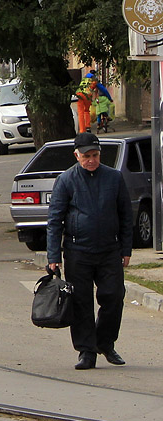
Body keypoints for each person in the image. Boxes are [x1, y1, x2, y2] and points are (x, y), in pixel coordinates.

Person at [46, 132, 132, 370]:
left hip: (109, 251)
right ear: (77, 155)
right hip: (77, 251)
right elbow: (55, 220)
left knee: (114, 297)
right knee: (81, 303)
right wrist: (53, 256)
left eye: (95, 155)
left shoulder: (114, 178)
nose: (91, 160)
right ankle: (86, 351)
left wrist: (126, 248)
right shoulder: (66, 180)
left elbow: (126, 216)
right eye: (86, 156)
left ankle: (105, 343)